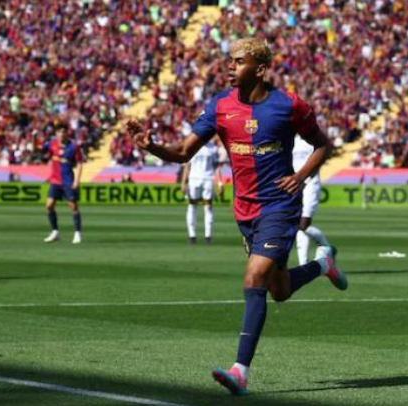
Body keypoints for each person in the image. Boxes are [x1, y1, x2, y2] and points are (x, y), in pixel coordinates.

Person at [126, 37, 348, 396]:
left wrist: (300, 177)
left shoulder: (289, 105)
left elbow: (323, 144)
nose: (230, 66)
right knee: (279, 290)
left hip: (279, 206)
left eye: (239, 61)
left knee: (254, 276)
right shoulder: (220, 106)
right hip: (245, 210)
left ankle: (240, 372)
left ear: (260, 69)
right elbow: (183, 152)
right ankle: (323, 264)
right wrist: (151, 145)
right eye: (230, 60)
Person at [292, 135, 332, 265]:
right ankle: (303, 263)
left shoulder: (313, 138)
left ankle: (328, 249)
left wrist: (305, 179)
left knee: (303, 224)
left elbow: (319, 160)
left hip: (310, 183)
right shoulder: (292, 138)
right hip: (294, 184)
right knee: (298, 224)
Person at [43, 125, 84, 244]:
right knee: (49, 206)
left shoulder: (74, 147)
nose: (61, 134)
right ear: (56, 133)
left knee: (73, 207)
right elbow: (39, 148)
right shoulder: (52, 144)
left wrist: (77, 180)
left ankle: (77, 233)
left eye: (63, 132)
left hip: (68, 181)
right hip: (55, 180)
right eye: (59, 132)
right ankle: (55, 232)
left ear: (67, 133)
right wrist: (34, 137)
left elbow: (79, 164)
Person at [180, 137, 222, 244]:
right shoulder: (192, 146)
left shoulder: (213, 148)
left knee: (208, 207)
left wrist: (220, 182)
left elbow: (217, 166)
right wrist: (184, 181)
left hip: (208, 179)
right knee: (192, 206)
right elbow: (187, 165)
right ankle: (192, 235)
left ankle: (208, 236)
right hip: (194, 179)